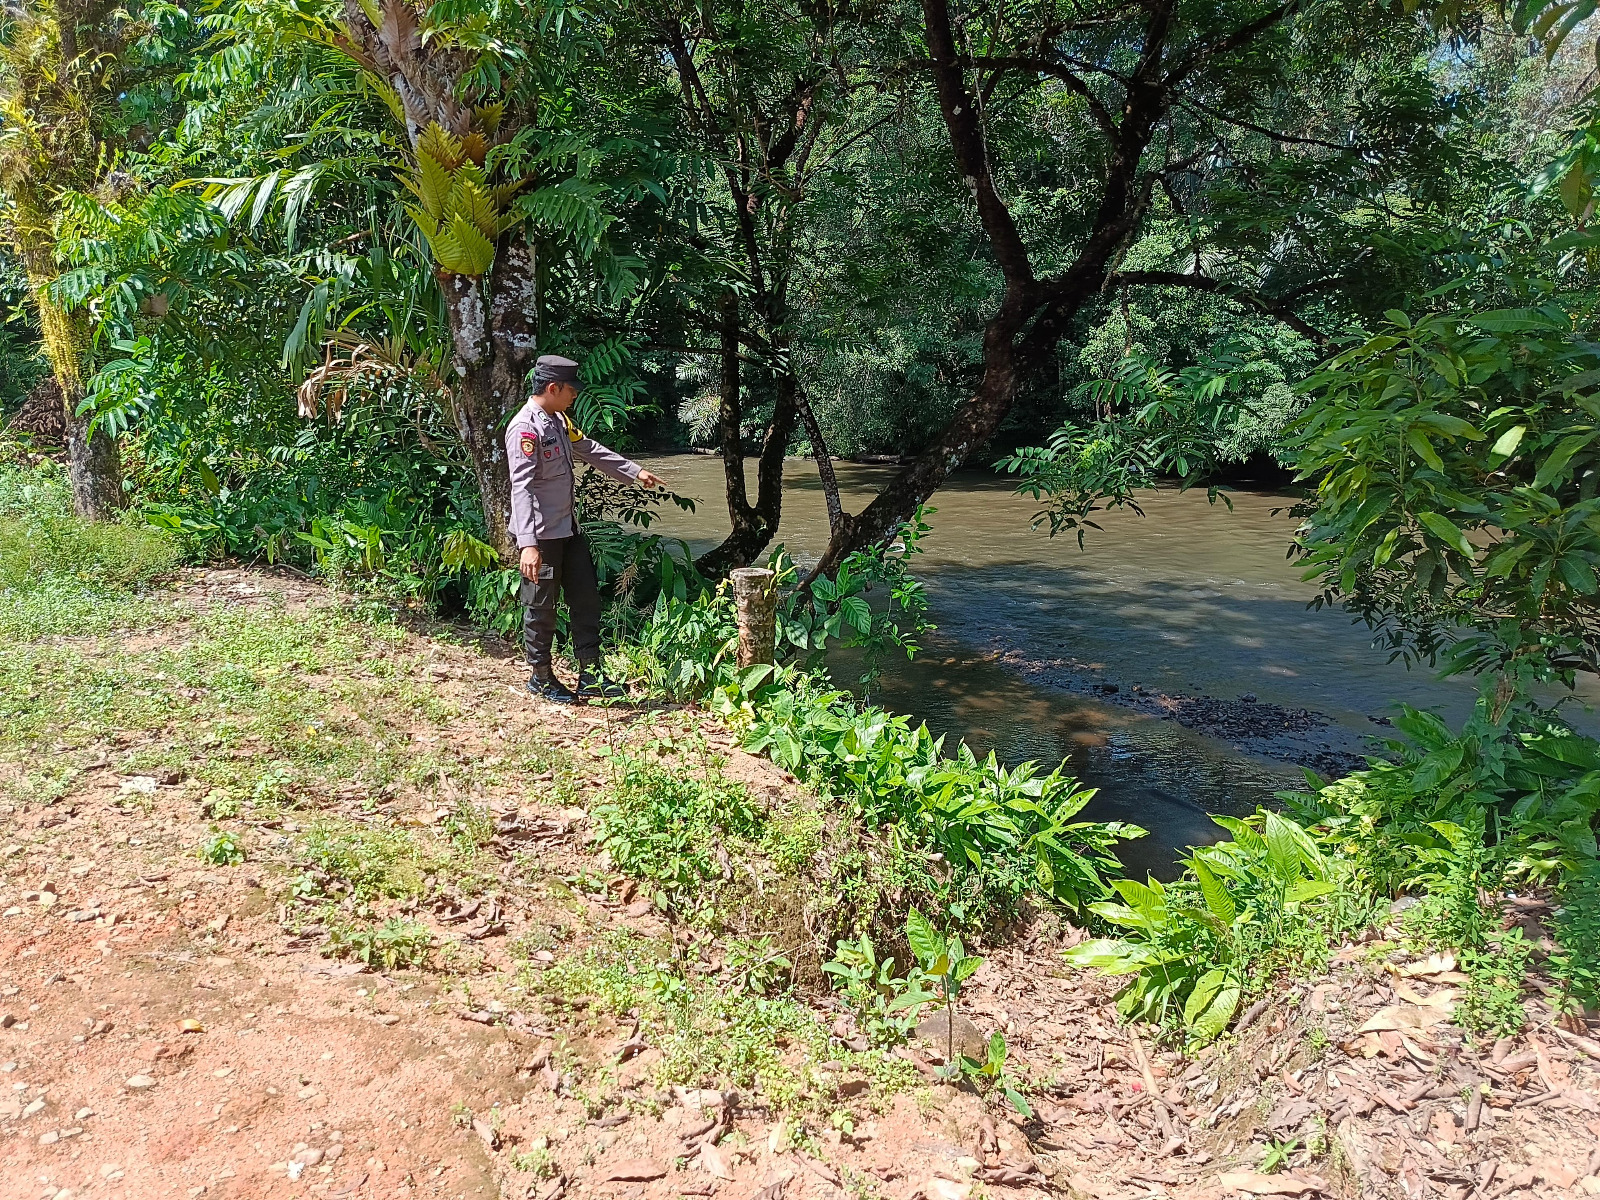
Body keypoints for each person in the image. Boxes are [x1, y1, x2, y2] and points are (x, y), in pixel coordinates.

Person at [506, 354, 665, 703]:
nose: (575, 395)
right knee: (541, 606)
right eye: (571, 390)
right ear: (553, 387)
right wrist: (528, 544)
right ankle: (541, 677)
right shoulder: (526, 429)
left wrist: (634, 471)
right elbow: (522, 487)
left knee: (586, 599)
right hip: (542, 536)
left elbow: (588, 449)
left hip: (568, 530)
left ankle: (591, 675)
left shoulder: (559, 420)